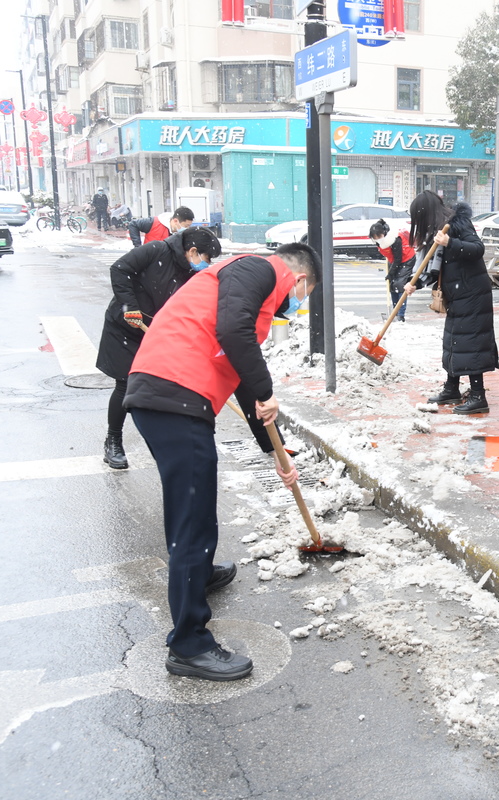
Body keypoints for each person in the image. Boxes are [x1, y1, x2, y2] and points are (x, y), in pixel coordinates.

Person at [124, 241, 319, 680]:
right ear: (301, 279)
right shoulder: (260, 271)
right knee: (191, 519)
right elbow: (235, 335)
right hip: (174, 395)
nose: (298, 301)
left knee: (196, 508)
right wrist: (269, 390)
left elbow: (238, 369)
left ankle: (199, 571)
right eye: (304, 294)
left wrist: (275, 448)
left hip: (168, 394)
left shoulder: (242, 282)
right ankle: (189, 645)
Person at [95, 227, 223, 470]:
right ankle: (113, 441)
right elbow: (120, 270)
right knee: (125, 384)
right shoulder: (156, 250)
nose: (206, 265)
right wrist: (129, 306)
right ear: (193, 251)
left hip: (155, 333)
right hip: (126, 326)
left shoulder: (189, 271)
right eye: (206, 259)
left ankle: (167, 441)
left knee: (163, 386)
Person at [404, 190, 499, 415]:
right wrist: (414, 283)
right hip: (457, 294)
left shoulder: (457, 224)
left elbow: (477, 249)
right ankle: (452, 388)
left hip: (473, 293)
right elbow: (433, 267)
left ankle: (478, 396)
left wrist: (450, 242)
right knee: (454, 342)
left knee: (471, 343)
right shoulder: (435, 232)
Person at [370, 219, 415, 322]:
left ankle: (400, 315)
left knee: (400, 285)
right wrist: (391, 274)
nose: (378, 239)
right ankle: (395, 311)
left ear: (384, 233)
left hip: (407, 258)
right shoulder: (379, 241)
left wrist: (391, 273)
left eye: (379, 237)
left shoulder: (395, 239)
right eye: (375, 238)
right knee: (392, 285)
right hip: (394, 259)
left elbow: (398, 259)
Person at [128, 206, 196, 247]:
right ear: (175, 221)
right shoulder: (154, 222)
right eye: (186, 226)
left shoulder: (182, 234)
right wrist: (138, 246)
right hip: (149, 262)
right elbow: (133, 224)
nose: (187, 229)